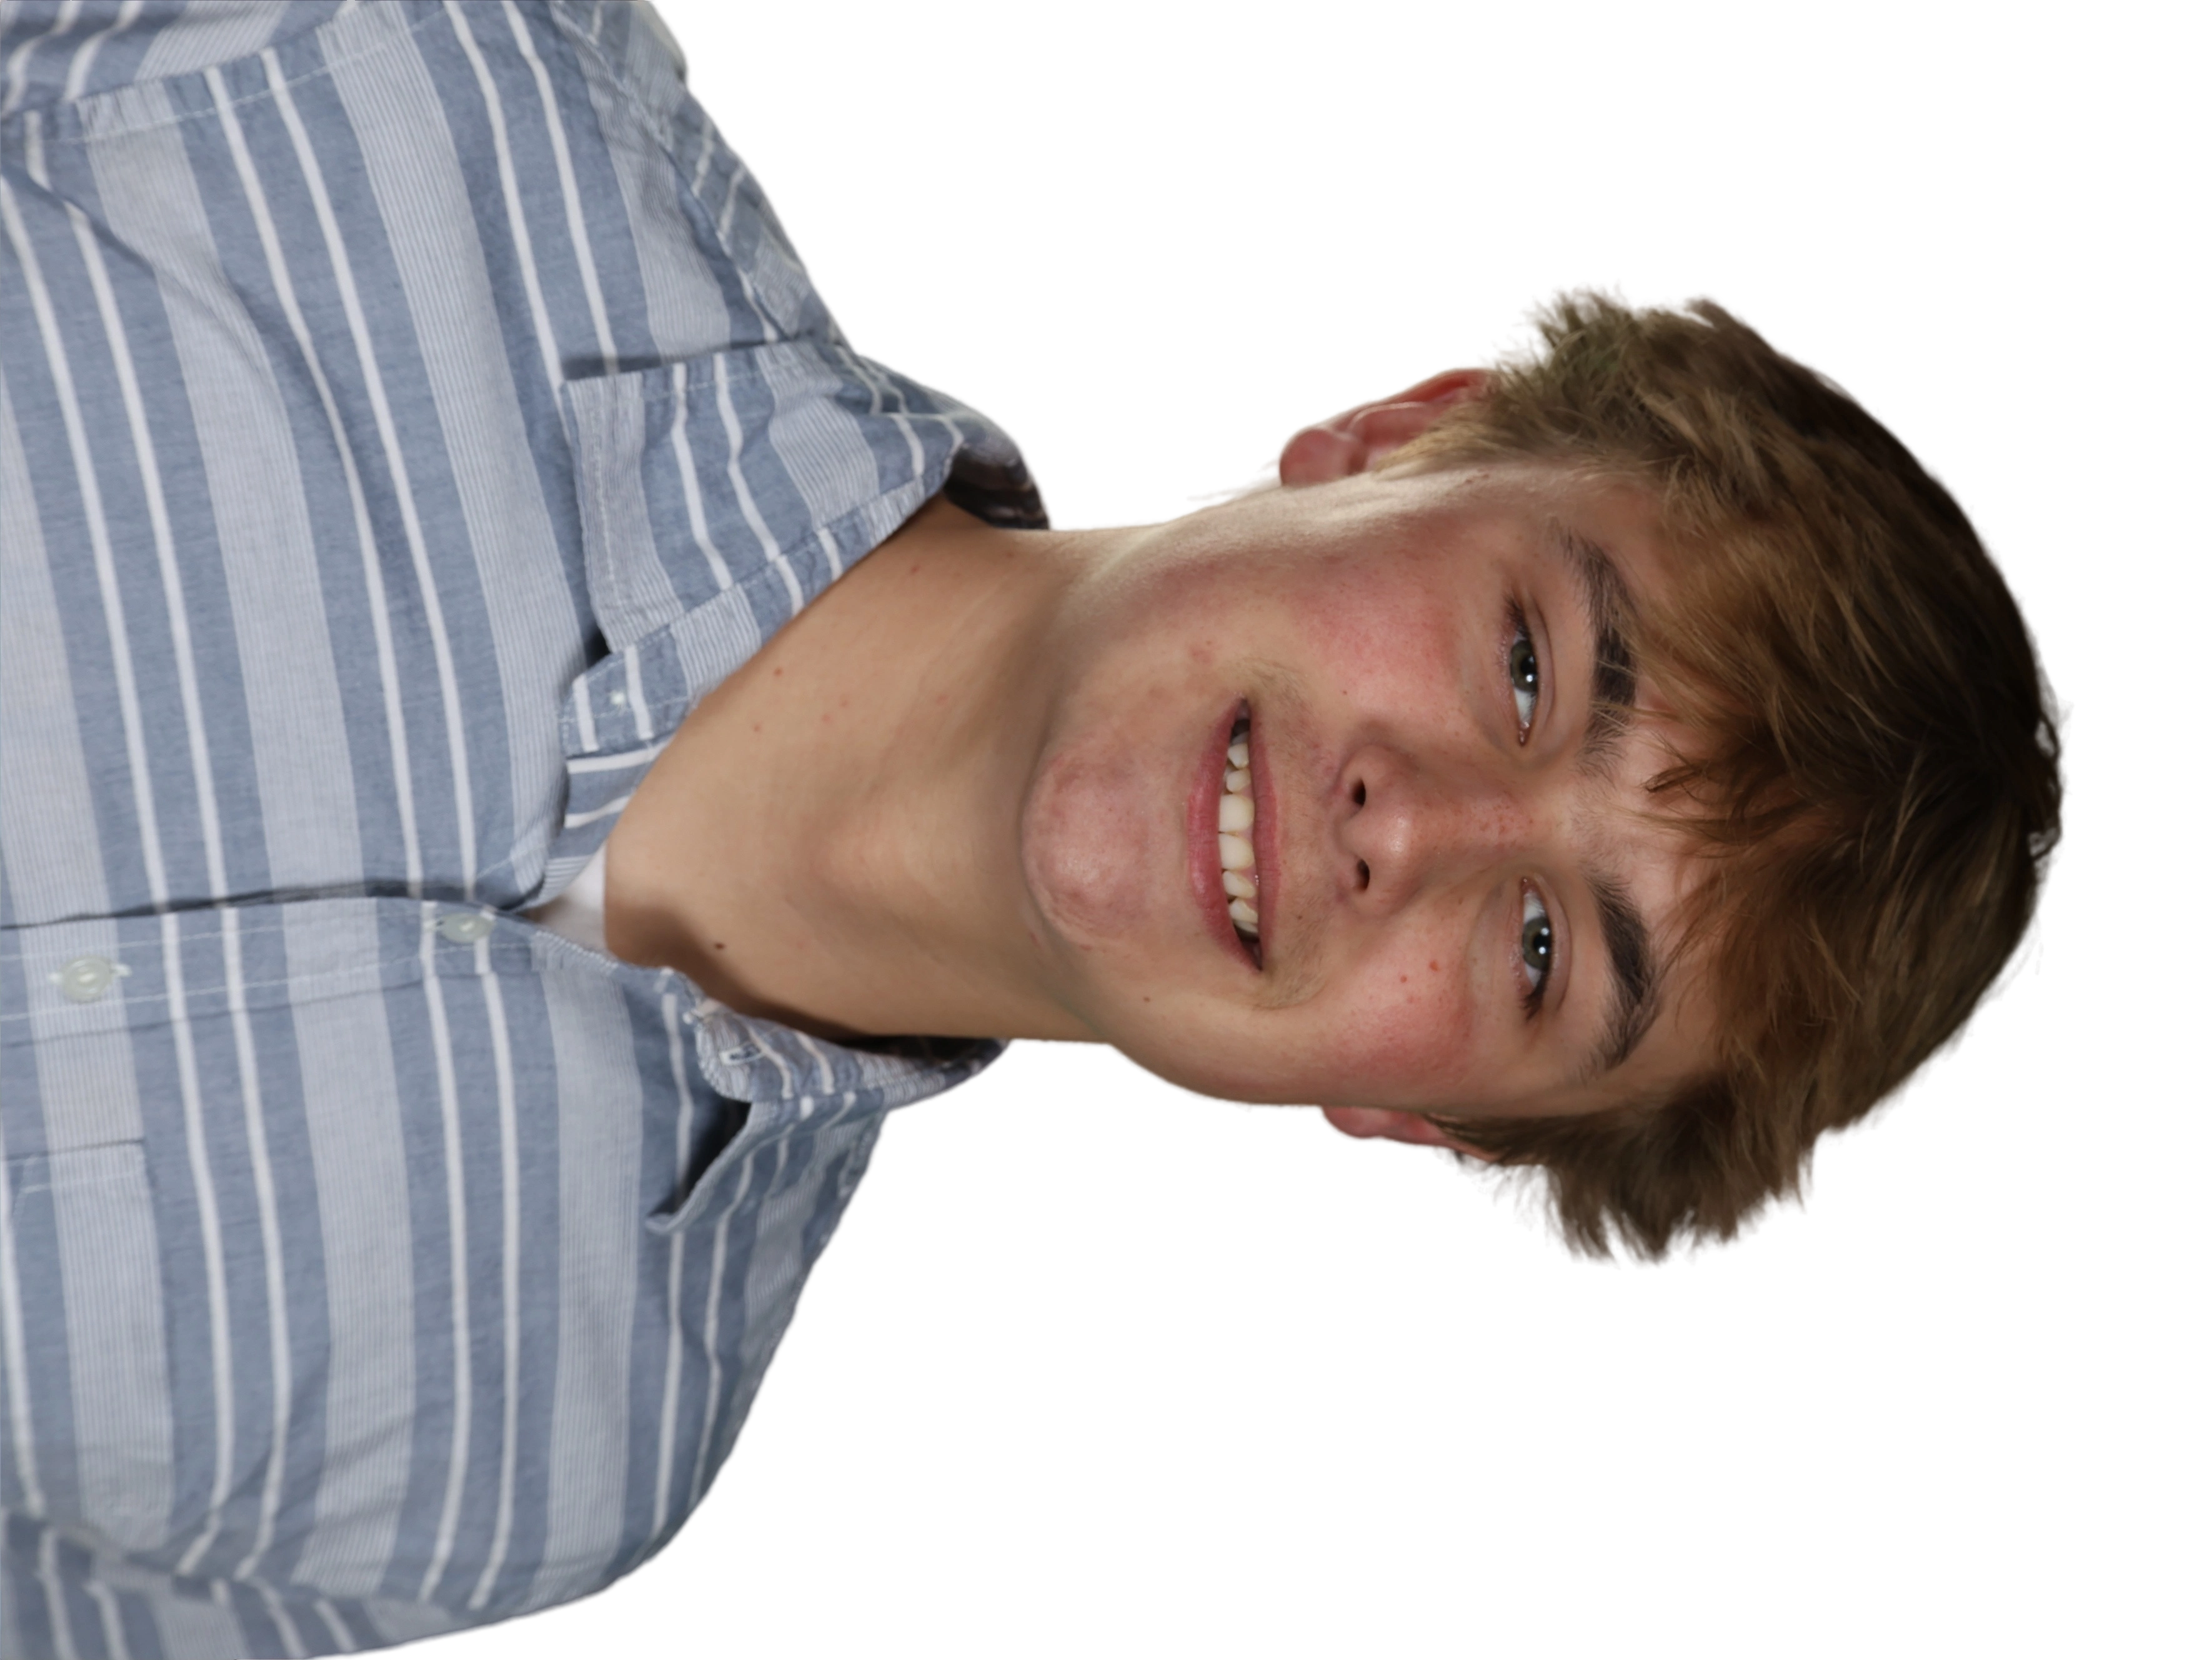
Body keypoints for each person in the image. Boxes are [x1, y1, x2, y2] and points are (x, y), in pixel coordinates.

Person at [0, 2, 2072, 1656]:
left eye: (1547, 952)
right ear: (1400, 440)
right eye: (1529, 665)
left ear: (1423, 1118)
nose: (1418, 826)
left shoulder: (542, 1476)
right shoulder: (410, 62)